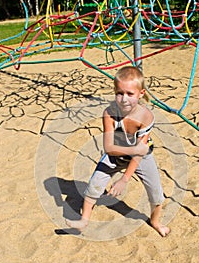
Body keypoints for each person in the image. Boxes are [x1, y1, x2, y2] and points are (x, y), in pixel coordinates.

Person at [65, 66, 170, 237]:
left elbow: (139, 154)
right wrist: (134, 148)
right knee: (93, 186)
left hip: (141, 157)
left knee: (156, 194)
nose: (124, 99)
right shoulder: (110, 113)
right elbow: (109, 148)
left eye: (130, 94)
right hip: (115, 156)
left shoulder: (146, 117)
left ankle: (155, 221)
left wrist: (124, 179)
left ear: (141, 93)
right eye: (119, 93)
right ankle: (84, 220)